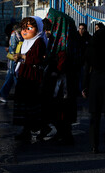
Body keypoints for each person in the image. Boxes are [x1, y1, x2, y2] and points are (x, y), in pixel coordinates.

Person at [40, 8, 78, 145]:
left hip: (62, 84)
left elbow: (62, 64)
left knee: (62, 108)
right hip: (58, 82)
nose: (47, 31)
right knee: (57, 109)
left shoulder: (64, 45)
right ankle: (61, 132)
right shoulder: (58, 42)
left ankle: (65, 134)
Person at [13, 16, 47, 142]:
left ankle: (39, 128)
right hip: (24, 75)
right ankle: (25, 130)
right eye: (23, 28)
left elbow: (38, 59)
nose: (25, 31)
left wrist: (23, 56)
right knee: (23, 104)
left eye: (29, 28)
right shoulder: (25, 42)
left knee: (31, 103)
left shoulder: (39, 41)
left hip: (32, 77)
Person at [82, 28, 105, 154]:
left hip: (95, 83)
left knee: (95, 116)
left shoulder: (91, 49)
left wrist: (85, 86)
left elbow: (86, 69)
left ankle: (94, 145)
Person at [0, 22, 22, 103]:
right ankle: (2, 95)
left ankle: (2, 94)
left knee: (11, 77)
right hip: (14, 59)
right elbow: (13, 47)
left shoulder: (18, 34)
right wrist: (15, 55)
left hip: (17, 59)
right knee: (13, 77)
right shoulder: (15, 35)